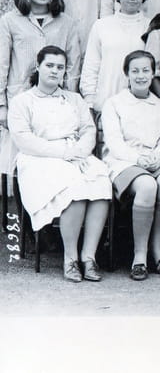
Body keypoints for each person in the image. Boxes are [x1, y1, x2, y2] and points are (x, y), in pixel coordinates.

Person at [8, 45, 112, 283]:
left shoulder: (74, 99)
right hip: (39, 158)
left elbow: (88, 130)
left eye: (60, 67)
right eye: (49, 65)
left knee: (100, 182)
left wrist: (79, 152)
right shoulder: (22, 101)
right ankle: (70, 259)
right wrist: (63, 153)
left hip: (76, 154)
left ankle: (88, 257)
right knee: (74, 187)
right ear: (38, 66)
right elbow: (24, 139)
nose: (55, 71)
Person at [101, 50, 160, 281]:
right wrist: (137, 158)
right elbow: (114, 142)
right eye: (135, 71)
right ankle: (140, 255)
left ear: (153, 73)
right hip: (124, 160)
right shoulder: (114, 103)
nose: (141, 76)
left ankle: (158, 248)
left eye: (146, 70)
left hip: (155, 159)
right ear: (127, 74)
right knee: (147, 185)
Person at [0, 0, 81, 173]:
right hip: (20, 95)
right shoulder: (9, 21)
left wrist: (70, 98)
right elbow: (2, 64)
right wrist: (2, 105)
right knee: (19, 159)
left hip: (54, 98)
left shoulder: (67, 23)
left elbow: (73, 64)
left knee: (50, 156)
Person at [80, 0, 150, 114]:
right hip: (105, 103)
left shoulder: (150, 27)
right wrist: (90, 101)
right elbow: (91, 66)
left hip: (140, 105)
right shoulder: (101, 25)